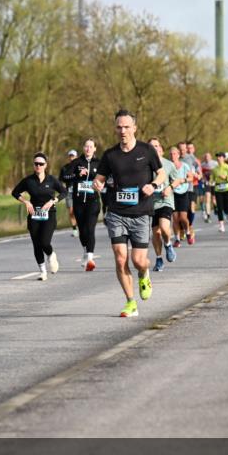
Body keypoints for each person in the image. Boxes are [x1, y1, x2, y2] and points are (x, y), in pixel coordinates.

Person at [92, 109, 165, 318]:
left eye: (126, 127)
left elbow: (161, 174)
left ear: (134, 128)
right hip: (116, 212)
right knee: (120, 258)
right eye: (119, 127)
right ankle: (130, 302)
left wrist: (153, 185)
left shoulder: (147, 150)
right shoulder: (110, 155)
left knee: (138, 260)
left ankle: (144, 274)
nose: (122, 131)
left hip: (141, 212)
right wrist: (97, 183)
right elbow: (100, 178)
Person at [13, 152, 67, 280]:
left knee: (44, 242)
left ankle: (51, 254)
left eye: (41, 164)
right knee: (36, 244)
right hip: (34, 215)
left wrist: (53, 201)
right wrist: (26, 201)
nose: (38, 166)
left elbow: (64, 192)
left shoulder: (52, 180)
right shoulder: (28, 180)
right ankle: (43, 271)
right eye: (36, 164)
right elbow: (15, 192)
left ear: (45, 165)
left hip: (49, 214)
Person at [70, 139, 102, 270]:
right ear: (83, 148)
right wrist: (77, 174)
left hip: (93, 201)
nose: (88, 149)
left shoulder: (99, 163)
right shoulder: (76, 162)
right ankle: (85, 251)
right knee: (82, 231)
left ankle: (90, 258)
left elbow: (105, 177)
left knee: (90, 228)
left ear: (95, 149)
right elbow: (66, 176)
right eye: (86, 146)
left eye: (91, 146)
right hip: (78, 202)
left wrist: (92, 175)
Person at [148, 138, 177, 272]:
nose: (155, 148)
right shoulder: (145, 165)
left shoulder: (168, 164)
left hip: (166, 201)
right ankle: (159, 259)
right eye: (152, 146)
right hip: (151, 203)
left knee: (165, 228)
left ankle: (168, 244)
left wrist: (169, 188)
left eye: (157, 146)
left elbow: (176, 181)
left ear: (160, 148)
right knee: (156, 233)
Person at [166, 145, 193, 249]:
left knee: (183, 217)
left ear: (178, 155)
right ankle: (177, 239)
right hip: (172, 194)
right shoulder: (168, 166)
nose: (172, 156)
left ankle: (188, 232)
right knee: (175, 218)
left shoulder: (185, 165)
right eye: (171, 154)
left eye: (174, 154)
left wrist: (183, 180)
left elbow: (191, 177)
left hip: (183, 193)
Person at [210, 152, 228, 232]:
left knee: (227, 208)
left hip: (227, 189)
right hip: (218, 189)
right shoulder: (214, 169)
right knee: (219, 208)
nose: (218, 158)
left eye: (220, 157)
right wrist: (211, 182)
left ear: (224, 158)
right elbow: (212, 179)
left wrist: (226, 177)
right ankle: (221, 226)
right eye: (217, 157)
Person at [59, 149, 80, 237]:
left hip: (79, 192)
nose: (72, 158)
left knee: (79, 211)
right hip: (69, 192)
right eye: (70, 156)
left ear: (76, 157)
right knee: (71, 212)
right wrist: (62, 188)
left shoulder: (80, 167)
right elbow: (60, 180)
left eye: (73, 156)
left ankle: (81, 227)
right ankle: (75, 230)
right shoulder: (64, 168)